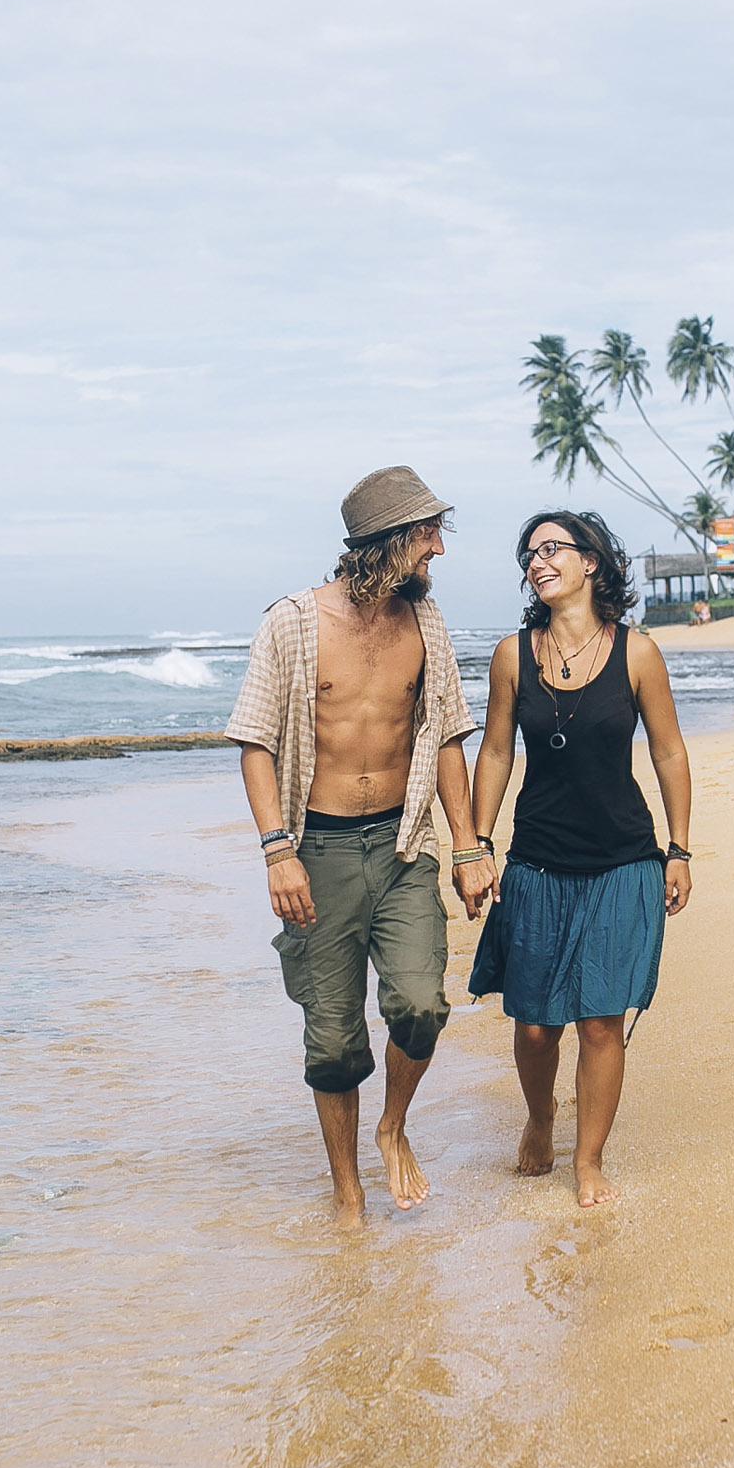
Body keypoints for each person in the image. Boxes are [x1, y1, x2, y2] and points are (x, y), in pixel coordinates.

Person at [227, 467, 496, 1229]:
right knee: (334, 1036)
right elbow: (254, 741)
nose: (438, 549)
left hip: (404, 844)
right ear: (387, 540)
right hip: (317, 850)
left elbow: (447, 735)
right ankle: (348, 1193)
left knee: (421, 1005)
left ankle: (393, 1127)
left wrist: (468, 847)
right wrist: (277, 851)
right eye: (428, 534)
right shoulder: (292, 623)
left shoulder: (426, 622)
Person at [470, 510, 692, 1207]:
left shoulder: (638, 653)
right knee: (536, 1025)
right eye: (528, 554)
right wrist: (478, 844)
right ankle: (540, 1118)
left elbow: (668, 751)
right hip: (537, 858)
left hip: (623, 859)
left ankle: (588, 1159)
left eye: (550, 549)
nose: (536, 562)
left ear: (590, 561)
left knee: (600, 1020)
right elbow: (496, 751)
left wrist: (679, 848)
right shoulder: (513, 655)